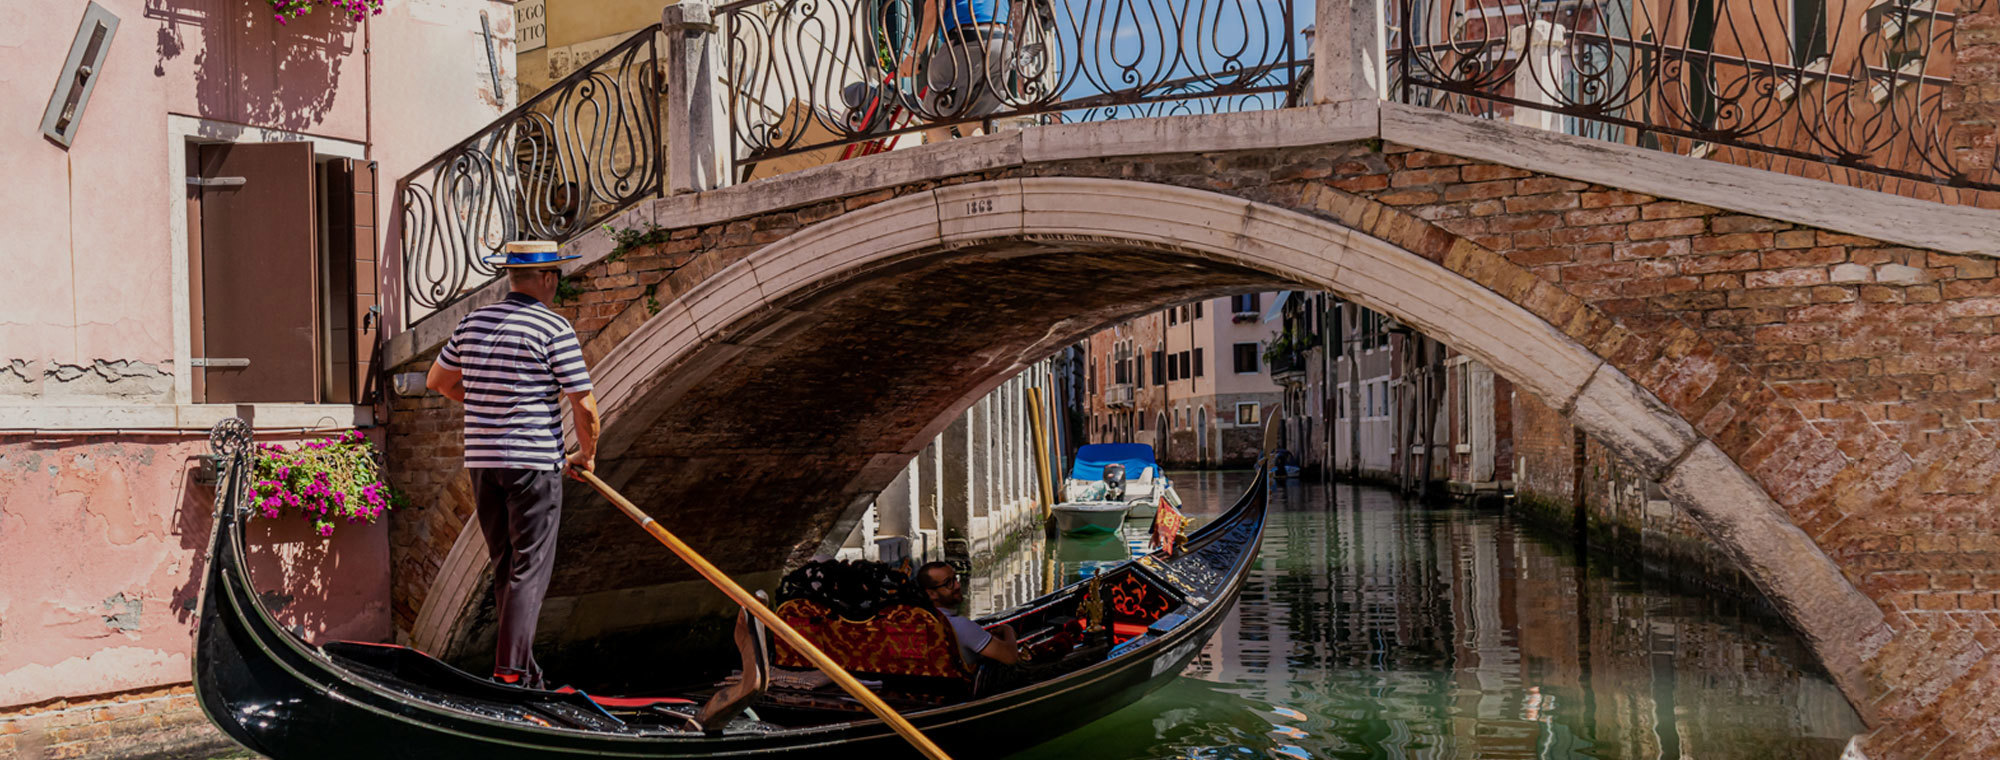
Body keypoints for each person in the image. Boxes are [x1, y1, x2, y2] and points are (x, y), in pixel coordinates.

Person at [426, 240, 601, 690]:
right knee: (529, 569)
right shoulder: (552, 328)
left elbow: (439, 381)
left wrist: (488, 405)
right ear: (547, 279)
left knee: (506, 567)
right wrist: (588, 454)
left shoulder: (472, 322)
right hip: (532, 464)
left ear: (511, 277)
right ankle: (509, 674)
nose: (557, 285)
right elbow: (584, 403)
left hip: (484, 464)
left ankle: (527, 675)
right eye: (557, 277)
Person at [896, 0, 1013, 143]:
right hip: (1003, 42)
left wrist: (914, 54)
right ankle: (980, 162)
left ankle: (946, 164)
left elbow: (934, 6)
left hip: (968, 38)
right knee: (972, 121)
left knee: (934, 117)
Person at [916, 561, 1019, 669]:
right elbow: (1010, 657)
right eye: (948, 583)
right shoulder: (961, 626)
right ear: (931, 594)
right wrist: (1008, 630)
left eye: (955, 578)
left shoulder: (917, 622)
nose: (957, 585)